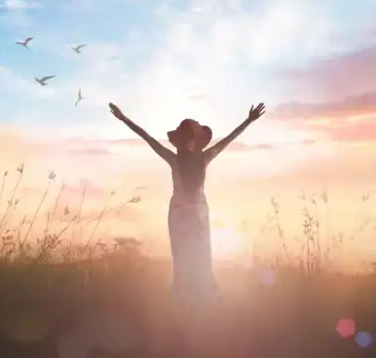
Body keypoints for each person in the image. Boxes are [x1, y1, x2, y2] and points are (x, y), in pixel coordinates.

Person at [108, 102, 266, 303]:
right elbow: (146, 137)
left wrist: (248, 121)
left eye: (187, 138)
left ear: (189, 141)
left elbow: (228, 139)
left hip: (193, 213)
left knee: (199, 256)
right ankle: (188, 299)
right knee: (185, 257)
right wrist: (124, 119)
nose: (185, 143)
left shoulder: (196, 158)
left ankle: (198, 298)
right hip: (184, 214)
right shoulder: (187, 158)